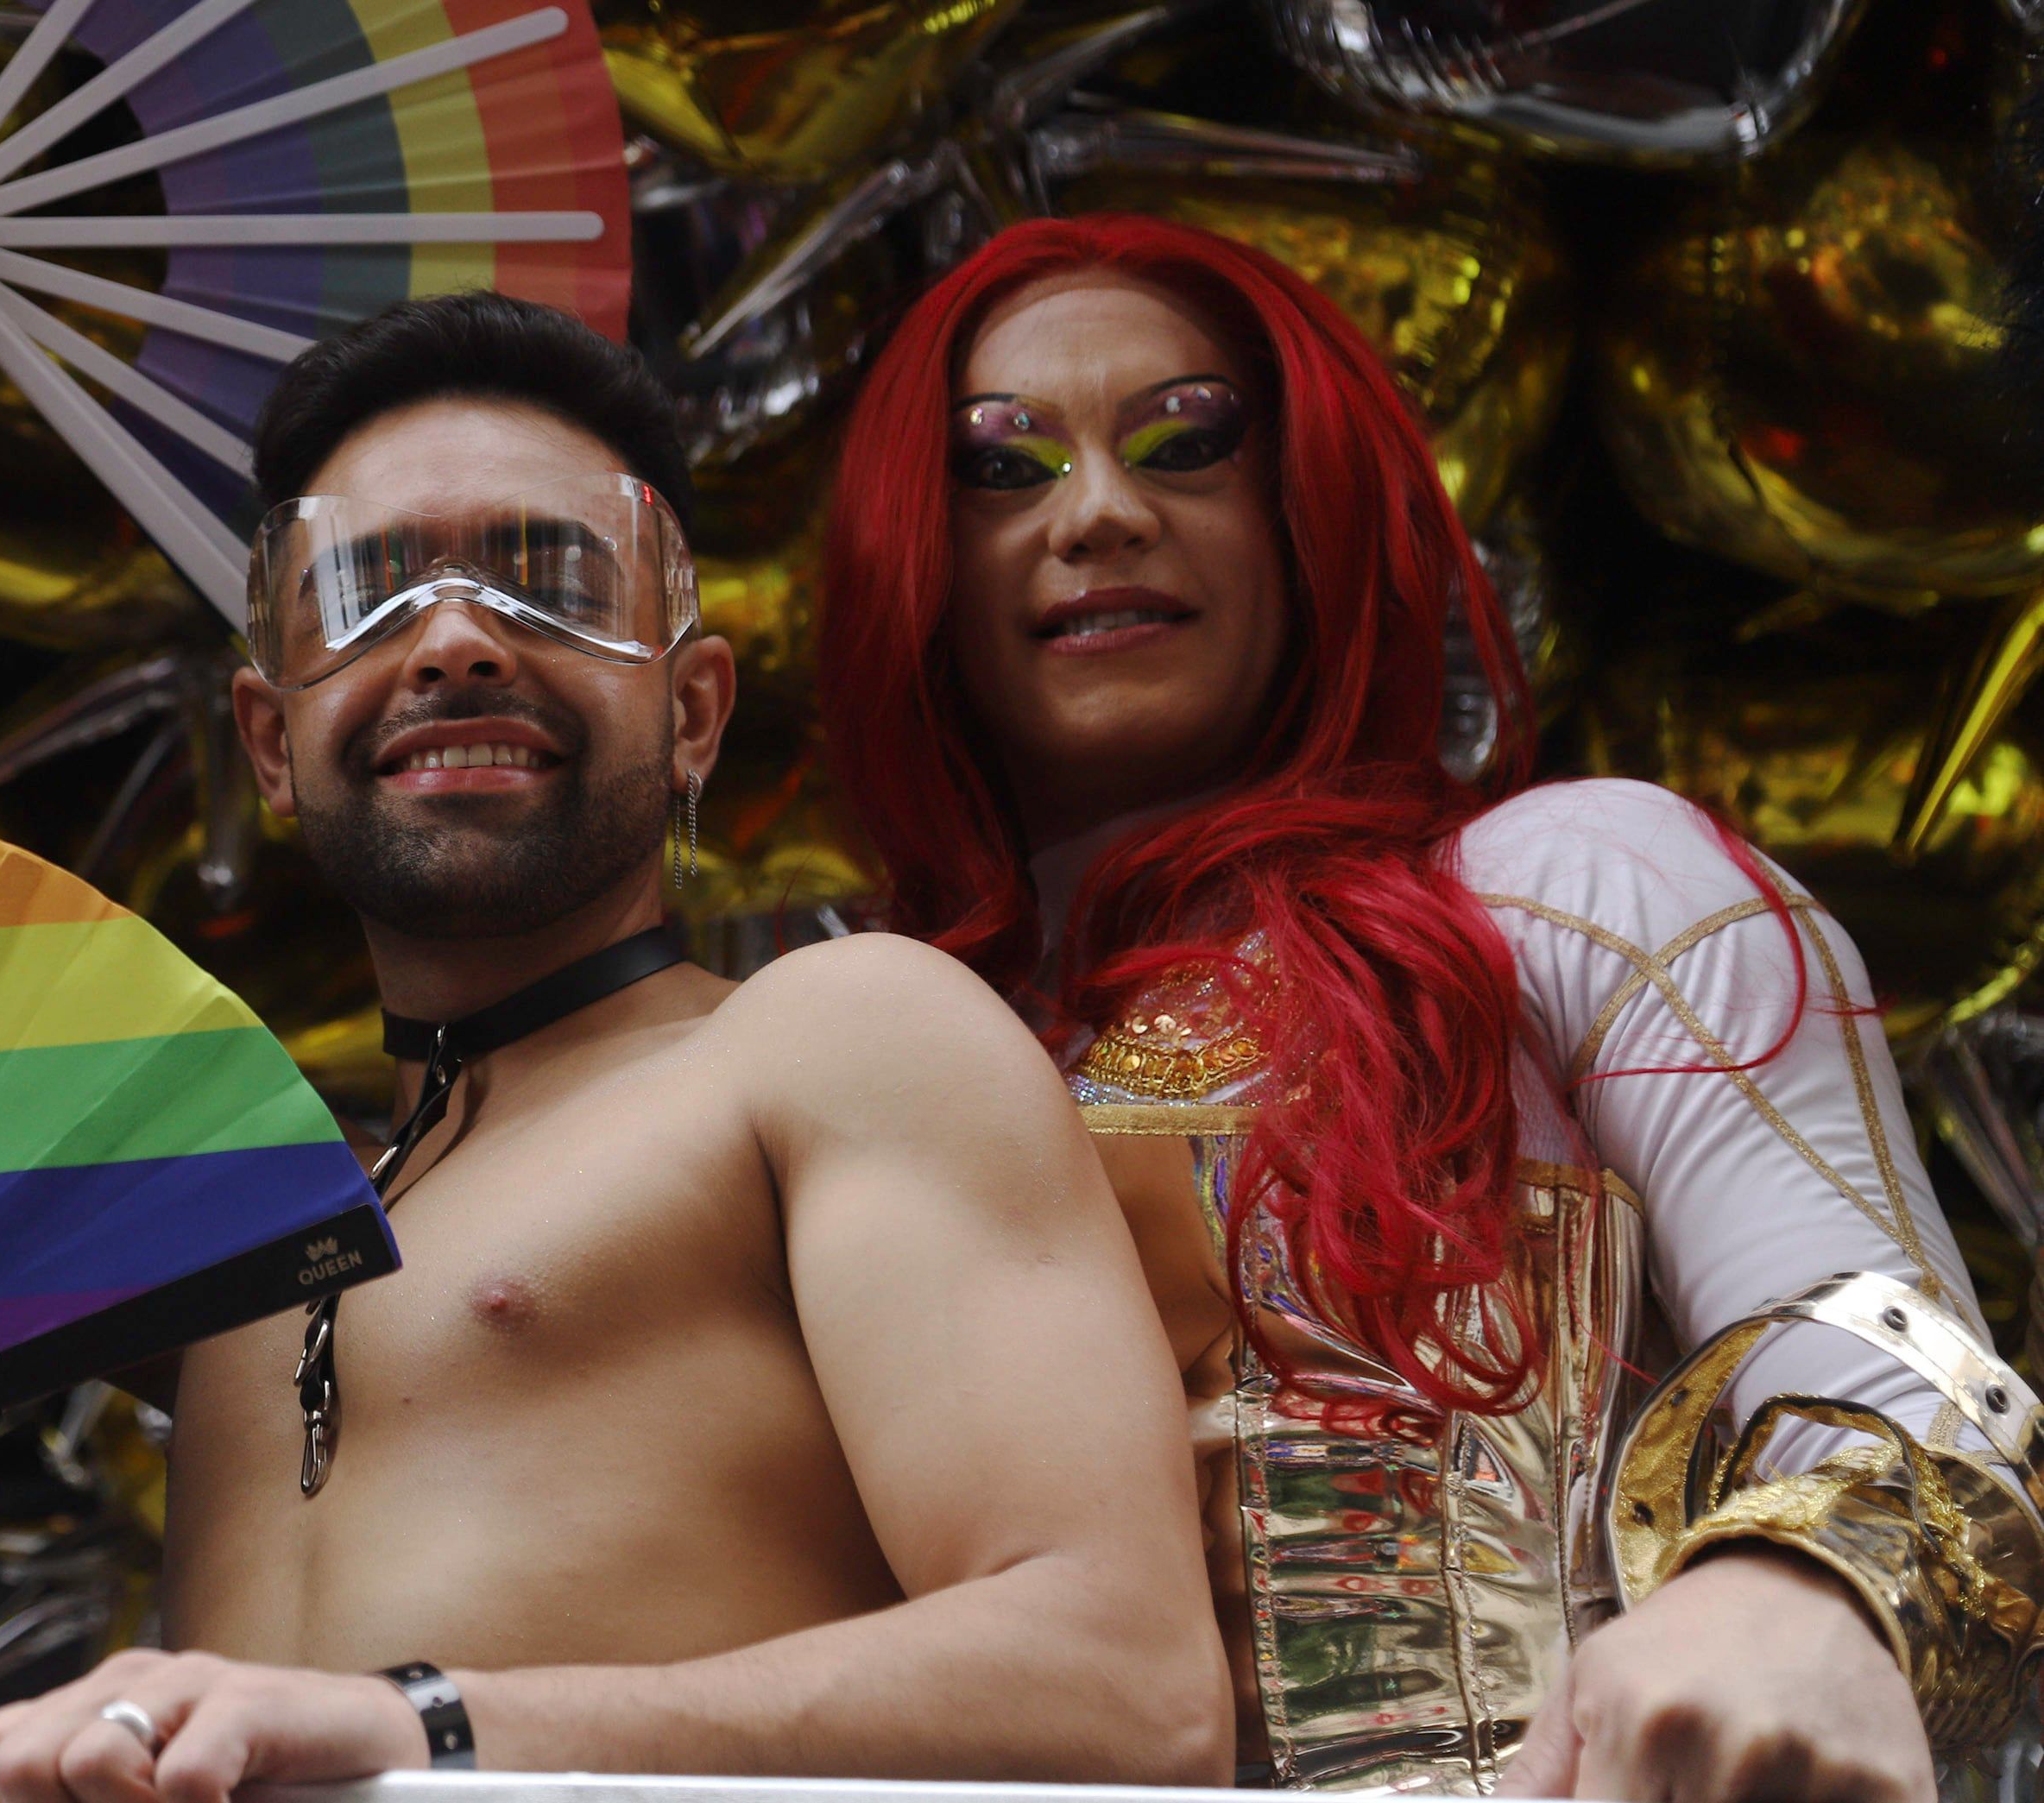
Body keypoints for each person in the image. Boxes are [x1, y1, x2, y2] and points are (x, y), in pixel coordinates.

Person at [816, 212, 2041, 1800]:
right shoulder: (829, 1066)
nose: (1099, 510)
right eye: (1001, 465)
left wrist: (1799, 1588)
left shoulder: (1567, 884)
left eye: (1185, 442)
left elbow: (1899, 1372)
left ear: (1307, 508)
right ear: (906, 547)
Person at [0, 293, 1230, 1803]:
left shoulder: (838, 1038)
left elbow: (1128, 1685)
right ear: (268, 742)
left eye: (548, 580)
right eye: (366, 593)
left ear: (692, 713)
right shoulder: (246, 1243)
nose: (453, 643)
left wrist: (419, 1725)